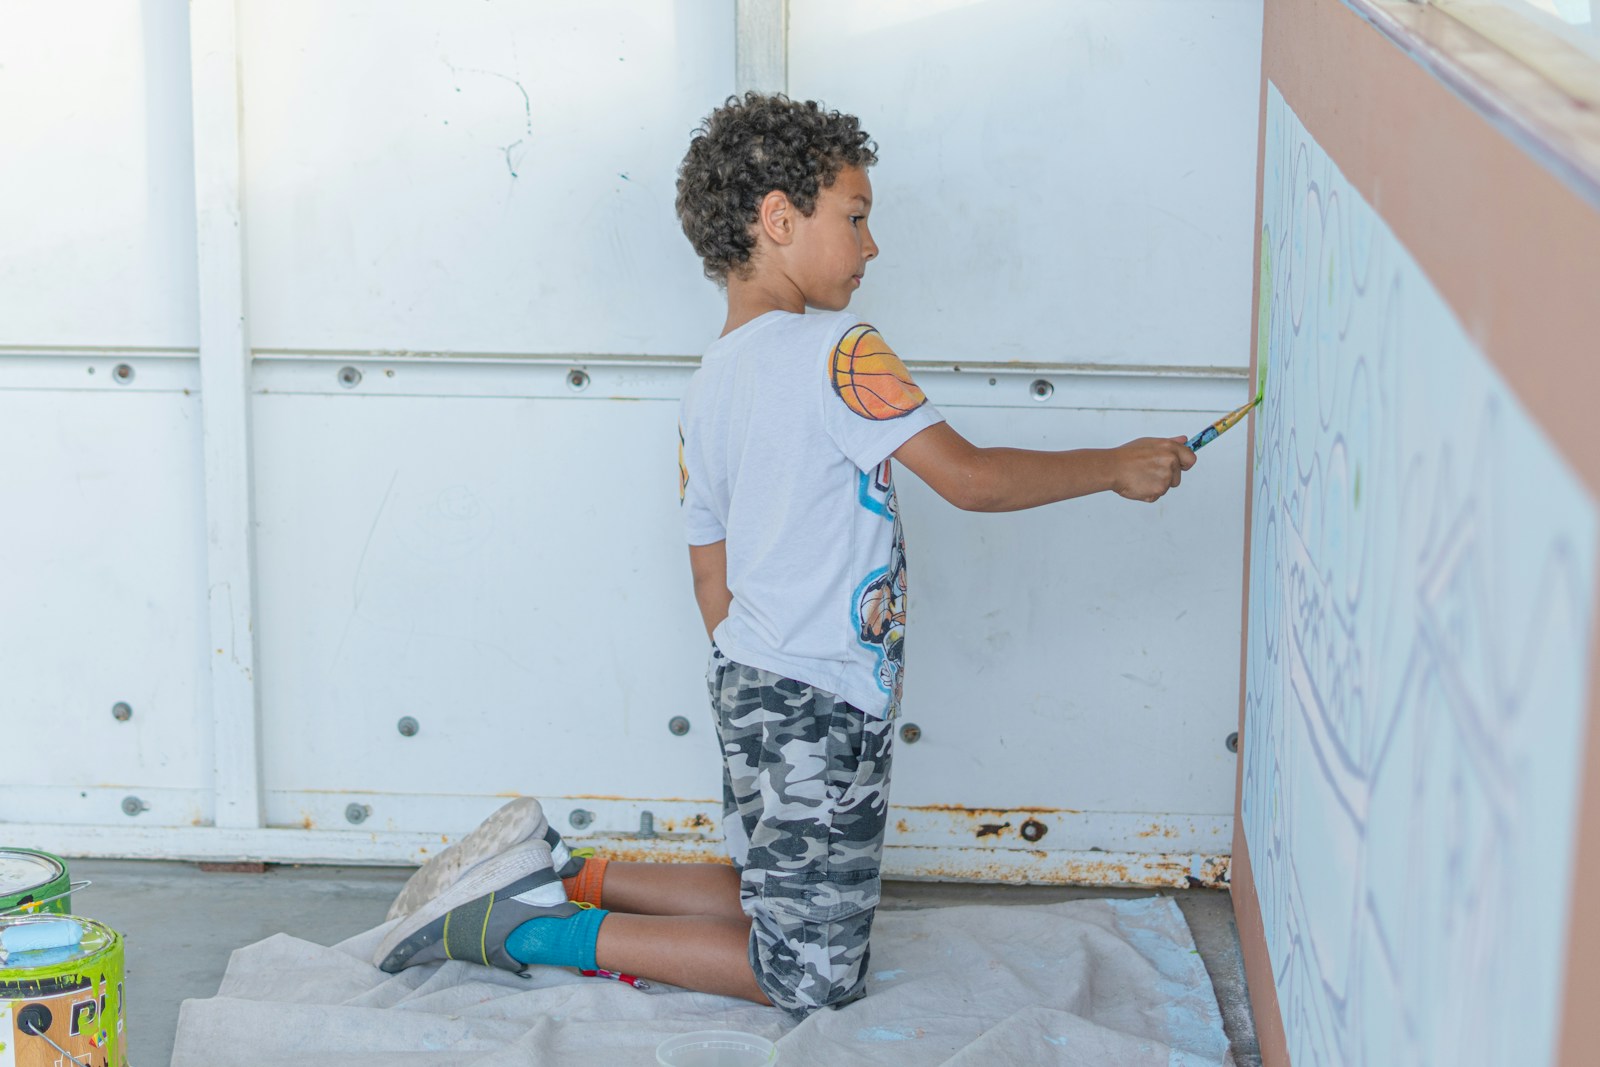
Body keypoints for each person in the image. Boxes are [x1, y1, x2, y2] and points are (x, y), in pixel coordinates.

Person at [372, 91, 1195, 1017]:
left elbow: (706, 568)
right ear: (777, 217)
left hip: (753, 683)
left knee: (779, 890)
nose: (872, 244)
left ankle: (569, 870)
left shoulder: (708, 384)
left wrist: (756, 671)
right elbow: (969, 479)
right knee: (808, 971)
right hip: (824, 700)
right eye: (856, 215)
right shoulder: (840, 350)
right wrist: (1115, 466)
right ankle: (523, 930)